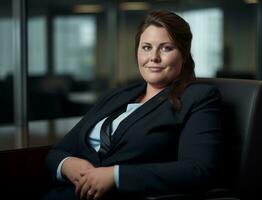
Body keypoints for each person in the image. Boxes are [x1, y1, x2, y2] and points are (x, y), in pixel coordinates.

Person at [43, 10, 222, 200]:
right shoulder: (117, 95)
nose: (154, 57)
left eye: (166, 48)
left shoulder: (199, 97)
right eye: (146, 47)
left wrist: (116, 176)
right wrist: (68, 164)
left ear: (184, 55)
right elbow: (57, 152)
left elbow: (198, 170)